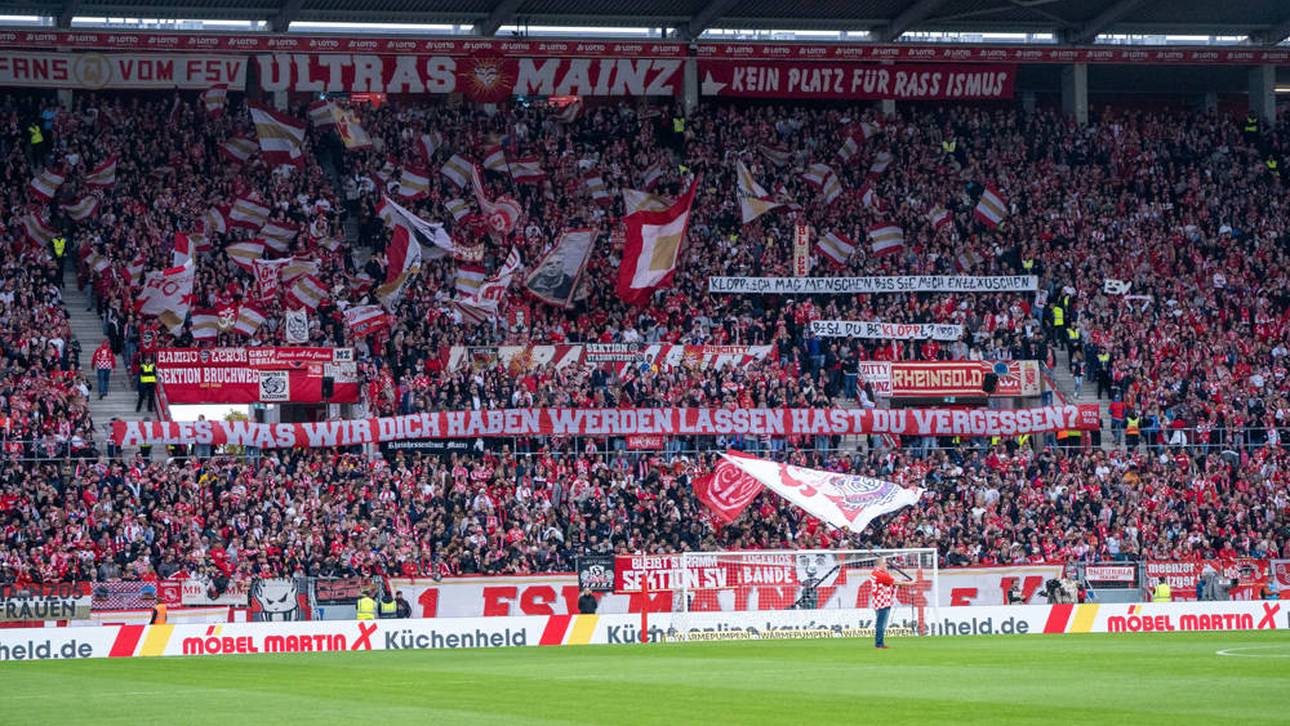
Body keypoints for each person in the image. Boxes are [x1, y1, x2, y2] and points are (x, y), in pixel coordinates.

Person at [870, 558, 895, 649]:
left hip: (884, 601)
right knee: (881, 624)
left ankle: (880, 642)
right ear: (879, 564)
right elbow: (894, 581)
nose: (886, 565)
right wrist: (910, 583)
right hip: (882, 602)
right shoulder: (879, 574)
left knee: (882, 623)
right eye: (884, 563)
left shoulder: (876, 573)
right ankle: (879, 643)